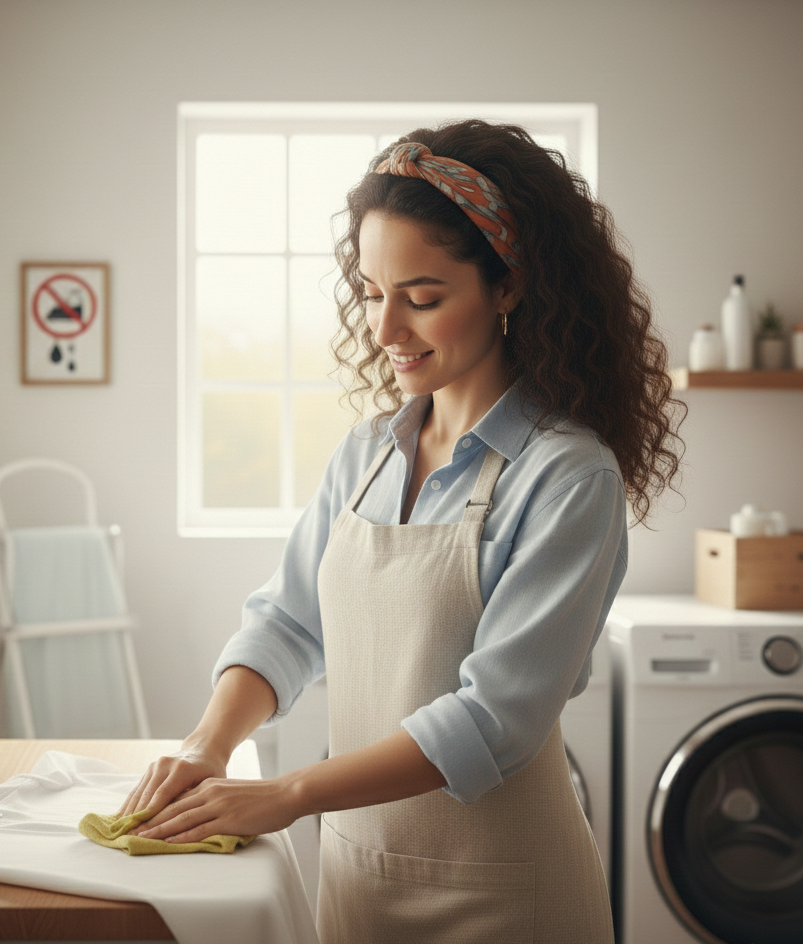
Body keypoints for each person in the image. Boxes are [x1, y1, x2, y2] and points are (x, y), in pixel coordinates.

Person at [119, 119, 683, 943]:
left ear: (510, 287)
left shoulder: (567, 477)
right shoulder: (367, 455)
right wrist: (208, 747)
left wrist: (290, 792)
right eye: (373, 295)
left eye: (421, 299)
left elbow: (494, 718)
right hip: (356, 887)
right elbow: (286, 622)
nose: (386, 332)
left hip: (509, 900)